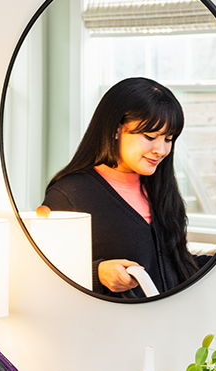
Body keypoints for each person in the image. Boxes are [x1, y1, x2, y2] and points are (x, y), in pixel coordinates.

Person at [43, 77, 207, 297]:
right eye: (150, 136)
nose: (161, 150)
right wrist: (97, 272)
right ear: (116, 130)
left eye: (168, 139)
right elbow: (46, 273)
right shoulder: (69, 194)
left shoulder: (158, 187)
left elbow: (173, 264)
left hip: (171, 322)